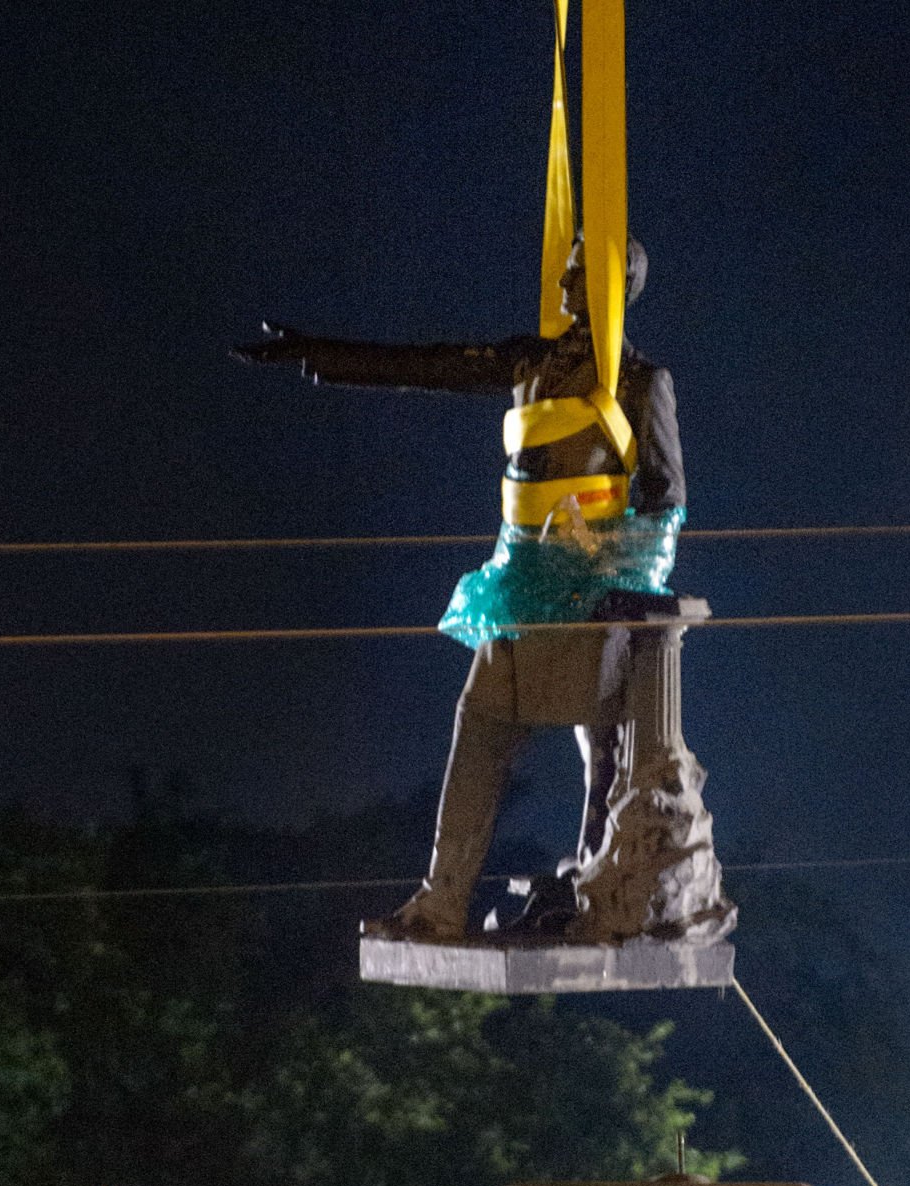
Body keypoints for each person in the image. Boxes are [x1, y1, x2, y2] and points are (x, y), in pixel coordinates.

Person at [234, 235, 687, 943]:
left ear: (614, 285)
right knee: (477, 733)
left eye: (578, 272)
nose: (563, 282)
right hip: (516, 595)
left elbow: (665, 502)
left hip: (590, 607)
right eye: (565, 269)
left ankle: (595, 897)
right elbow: (434, 364)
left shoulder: (639, 381)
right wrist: (319, 354)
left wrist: (615, 570)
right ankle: (440, 903)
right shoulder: (531, 363)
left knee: (606, 756)